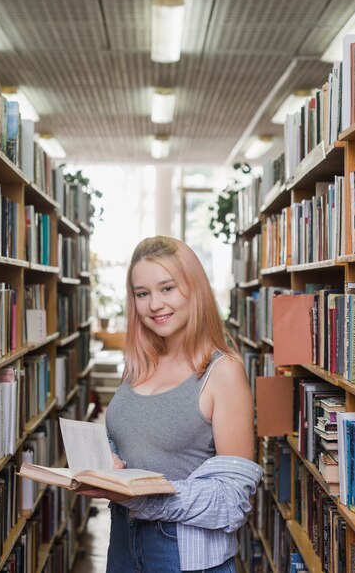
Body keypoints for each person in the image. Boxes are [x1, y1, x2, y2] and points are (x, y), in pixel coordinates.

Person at [77, 236, 263, 573]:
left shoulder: (223, 372)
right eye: (142, 293)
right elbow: (133, 437)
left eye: (167, 288)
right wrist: (107, 460)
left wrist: (143, 497)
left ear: (195, 290)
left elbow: (233, 500)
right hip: (122, 540)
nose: (154, 305)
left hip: (183, 553)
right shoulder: (137, 364)